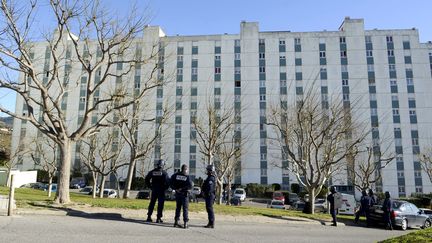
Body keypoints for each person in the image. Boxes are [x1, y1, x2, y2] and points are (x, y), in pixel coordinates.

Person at [171, 164, 193, 229]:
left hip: (178, 194)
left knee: (178, 208)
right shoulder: (187, 176)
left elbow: (170, 182)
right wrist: (183, 189)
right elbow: (190, 185)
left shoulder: (175, 175)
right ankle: (185, 223)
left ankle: (176, 222)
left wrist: (175, 188)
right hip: (184, 194)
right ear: (186, 169)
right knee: (185, 209)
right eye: (187, 169)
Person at [202, 164, 216, 228]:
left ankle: (211, 223)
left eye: (208, 170)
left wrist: (206, 193)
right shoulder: (210, 177)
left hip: (209, 195)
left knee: (210, 209)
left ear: (210, 171)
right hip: (209, 195)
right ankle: (210, 222)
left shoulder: (211, 178)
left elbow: (210, 188)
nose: (207, 171)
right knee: (209, 209)